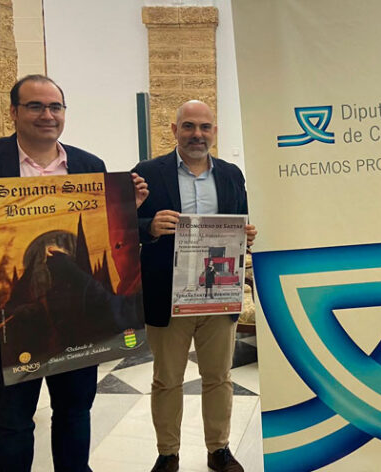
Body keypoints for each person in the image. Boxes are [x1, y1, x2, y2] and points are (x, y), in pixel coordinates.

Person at [0, 74, 149, 472]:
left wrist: (125, 209)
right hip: (12, 321)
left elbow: (104, 238)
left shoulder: (89, 165)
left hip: (79, 321)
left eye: (55, 107)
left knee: (75, 411)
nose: (47, 115)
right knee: (14, 421)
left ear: (64, 113)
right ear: (14, 112)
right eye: (35, 106)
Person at [132, 100, 257, 472]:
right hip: (167, 295)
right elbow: (121, 226)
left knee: (218, 378)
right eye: (188, 126)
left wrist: (247, 235)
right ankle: (168, 454)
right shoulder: (146, 173)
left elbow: (241, 222)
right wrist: (149, 227)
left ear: (214, 131)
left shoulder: (231, 174)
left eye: (204, 127)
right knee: (167, 379)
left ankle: (219, 449)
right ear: (174, 130)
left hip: (219, 293)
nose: (197, 134)